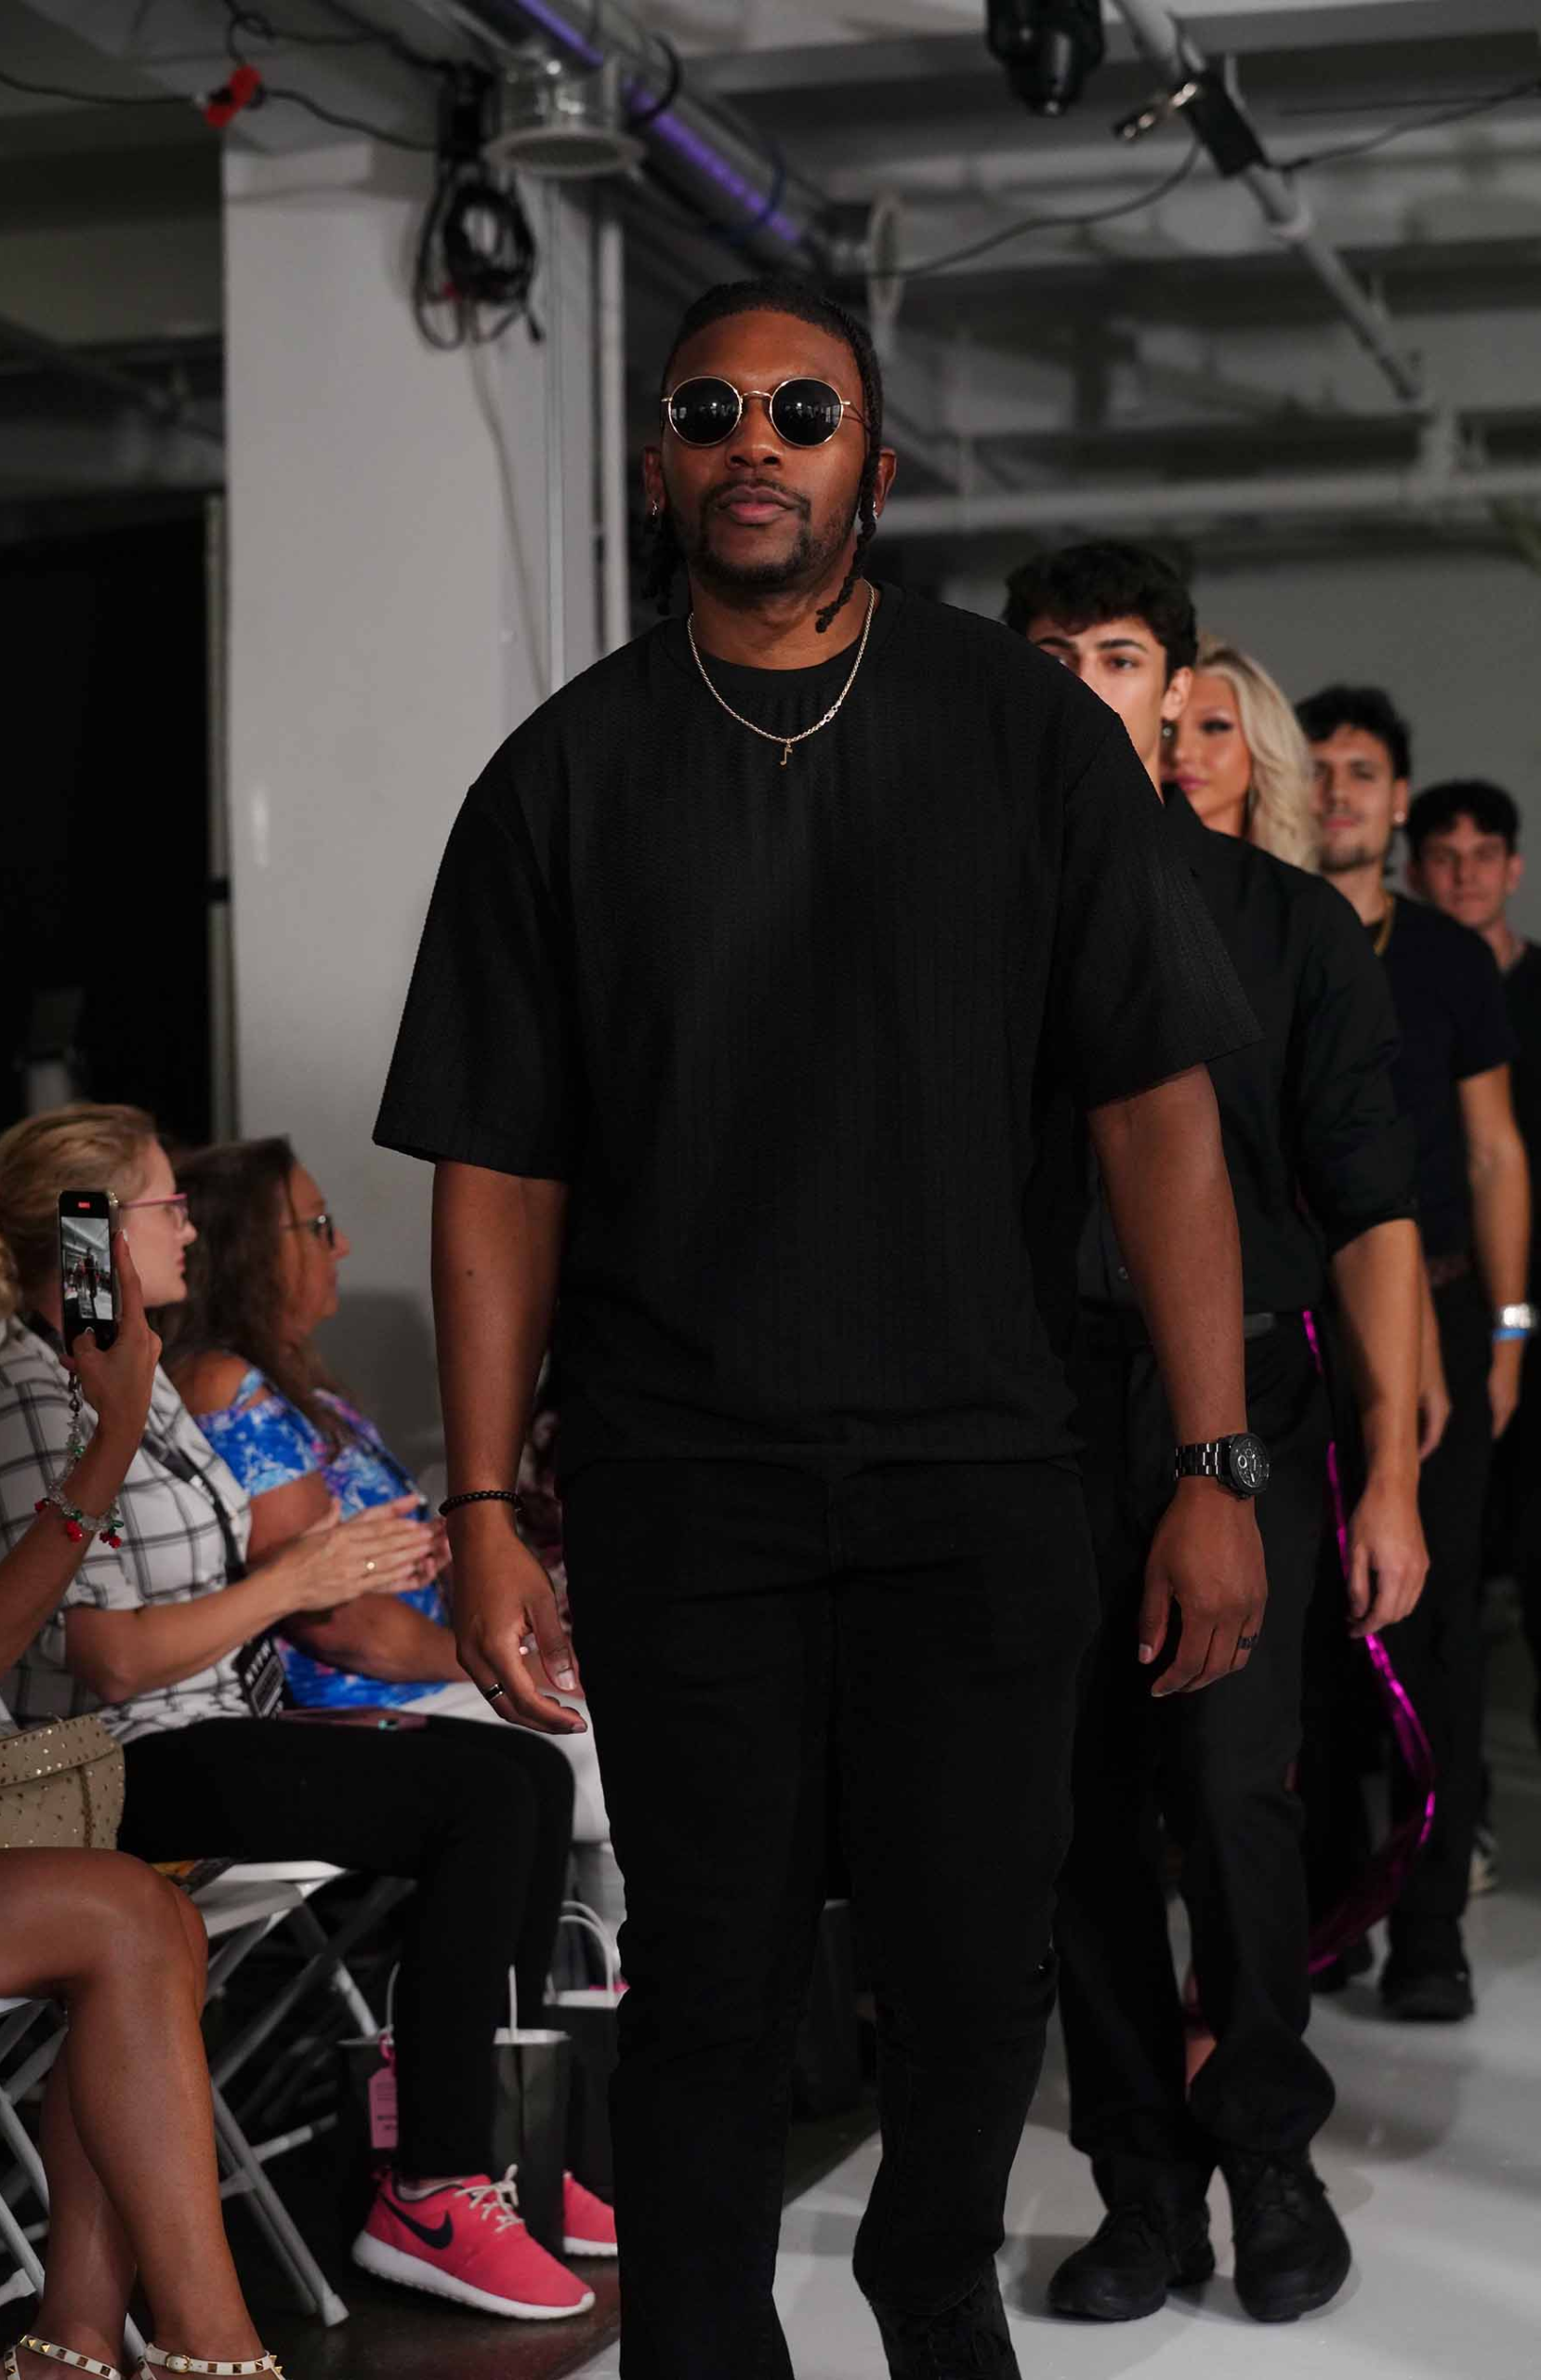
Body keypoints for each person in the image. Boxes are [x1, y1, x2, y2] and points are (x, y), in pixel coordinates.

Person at [375, 276, 1268, 2380]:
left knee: (973, 1972)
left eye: (801, 409)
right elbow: (497, 1166)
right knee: (707, 1983)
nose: (752, 442)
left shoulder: (1020, 735)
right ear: (659, 462)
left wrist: (1214, 1459)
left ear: (874, 460)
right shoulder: (563, 775)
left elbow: (1156, 1113)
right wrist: (483, 1504)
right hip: (684, 1475)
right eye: (710, 412)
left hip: (980, 1463)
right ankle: (700, 2348)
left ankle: (926, 2286)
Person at [0, 1104, 610, 2321]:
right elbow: (106, 1660)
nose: (189, 1227)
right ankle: (433, 2184)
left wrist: (336, 1570)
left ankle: (494, 2147)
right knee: (478, 1797)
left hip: (215, 1724)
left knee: (519, 1772)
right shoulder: (29, 1402)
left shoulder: (136, 1380)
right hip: (112, 1761)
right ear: (93, 1231)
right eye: (165, 1206)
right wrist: (295, 1582)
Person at [1004, 543, 1423, 2323]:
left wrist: (1393, 1472)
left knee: (1236, 1792)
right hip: (1031, 1415)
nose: (1081, 687)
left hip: (1242, 1400)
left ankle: (1267, 2156)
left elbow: (1373, 1209)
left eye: (1113, 657)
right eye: (1047, 658)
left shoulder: (1285, 927)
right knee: (1075, 1814)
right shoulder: (966, 924)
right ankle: (1140, 2188)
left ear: (1174, 691)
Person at [0, 1215, 284, 2380]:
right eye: (163, 1207)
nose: (187, 1226)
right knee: (131, 1914)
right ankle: (212, 2351)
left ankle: (77, 2344)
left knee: (157, 1920)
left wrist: (117, 1432)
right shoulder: (3, 1395)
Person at [159, 1133, 623, 1936]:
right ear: (247, 1251)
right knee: (614, 1753)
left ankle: (594, 1980)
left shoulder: (298, 1386)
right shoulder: (227, 1386)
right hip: (361, 1699)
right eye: (317, 1226)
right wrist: (516, 1667)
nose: (340, 1245)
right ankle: (604, 1992)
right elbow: (336, 1622)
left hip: (416, 1677)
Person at [1300, 687, 1530, 2018]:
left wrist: (1506, 1333)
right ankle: (1331, 1906)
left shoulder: (1443, 957)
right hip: (1296, 1323)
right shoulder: (1263, 924)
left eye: (1361, 771)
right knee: (1308, 1631)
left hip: (1437, 1311)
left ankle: (1431, 1926)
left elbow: (1494, 1154)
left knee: (1434, 1629)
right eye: (1319, 767)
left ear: (1397, 800)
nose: (1336, 789)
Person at [1407, 777, 1541, 1763]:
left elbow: (1503, 1159)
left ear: (1513, 867)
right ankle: (1455, 1807)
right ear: (1416, 870)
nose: (1463, 875)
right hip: (1445, 1304)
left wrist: (1515, 1328)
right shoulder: (1397, 979)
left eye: (1482, 855)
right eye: (1443, 857)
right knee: (1448, 1564)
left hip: (1517, 1312)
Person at [1170, 632, 1319, 870]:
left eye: (1214, 727)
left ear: (1262, 740)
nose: (1180, 752)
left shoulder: (1298, 888)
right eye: (1165, 730)